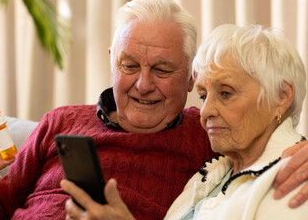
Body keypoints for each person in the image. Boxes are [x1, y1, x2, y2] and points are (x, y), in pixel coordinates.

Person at [0, 0, 308, 220]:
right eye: (129, 65)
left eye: (162, 69)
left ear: (189, 77)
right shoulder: (59, 122)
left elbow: (268, 142)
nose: (143, 84)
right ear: (112, 63)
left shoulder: (207, 131)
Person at [61, 24, 308, 220]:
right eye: (203, 96)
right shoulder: (212, 174)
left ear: (282, 96)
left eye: (226, 93)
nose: (205, 112)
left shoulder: (294, 179)